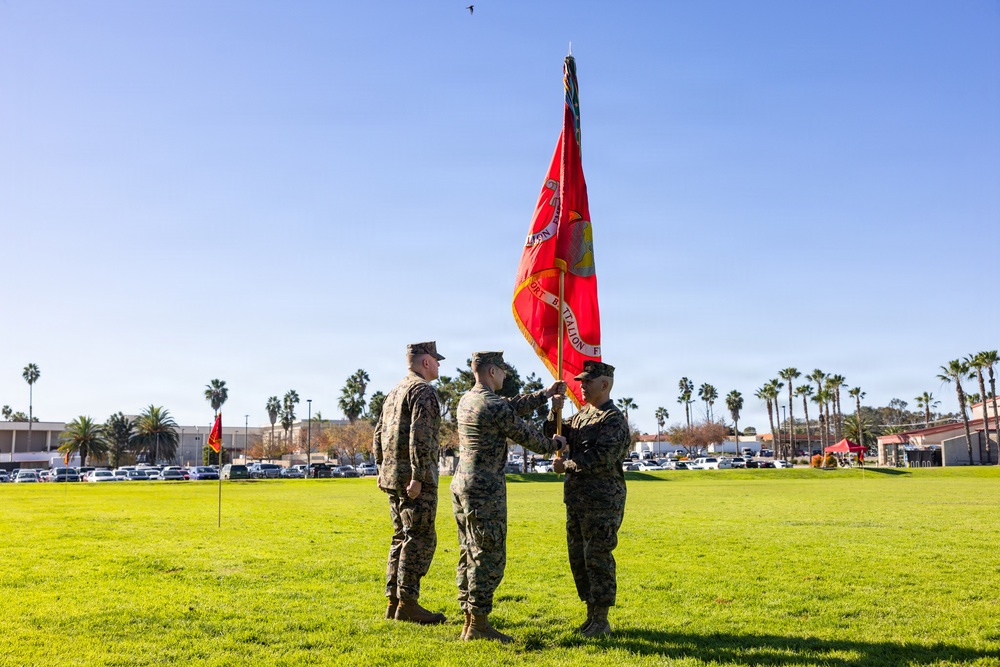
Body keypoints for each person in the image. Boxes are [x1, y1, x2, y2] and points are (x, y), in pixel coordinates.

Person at [451, 351, 566, 643]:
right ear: (492, 371)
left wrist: (545, 394)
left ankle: (469, 619)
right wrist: (554, 443)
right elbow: (527, 435)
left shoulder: (468, 399)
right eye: (502, 370)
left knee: (469, 550)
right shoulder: (493, 405)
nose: (506, 375)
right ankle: (478, 626)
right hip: (485, 488)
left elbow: (510, 406)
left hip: (462, 484)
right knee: (487, 554)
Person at [547, 360, 631, 637]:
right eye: (581, 381)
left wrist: (567, 466)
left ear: (604, 384)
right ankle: (590, 615)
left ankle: (602, 620)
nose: (581, 385)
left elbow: (602, 458)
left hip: (602, 501)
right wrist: (554, 409)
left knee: (597, 557)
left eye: (587, 381)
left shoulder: (612, 419)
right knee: (579, 558)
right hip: (578, 499)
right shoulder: (583, 415)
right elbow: (553, 433)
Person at [373, 341, 447, 625]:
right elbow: (420, 436)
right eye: (436, 360)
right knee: (419, 539)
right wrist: (418, 475)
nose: (439, 365)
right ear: (425, 362)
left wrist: (381, 468)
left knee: (401, 537)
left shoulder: (394, 391)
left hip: (393, 477)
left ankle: (394, 601)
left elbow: (378, 433)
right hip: (415, 480)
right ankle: (408, 604)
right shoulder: (423, 391)